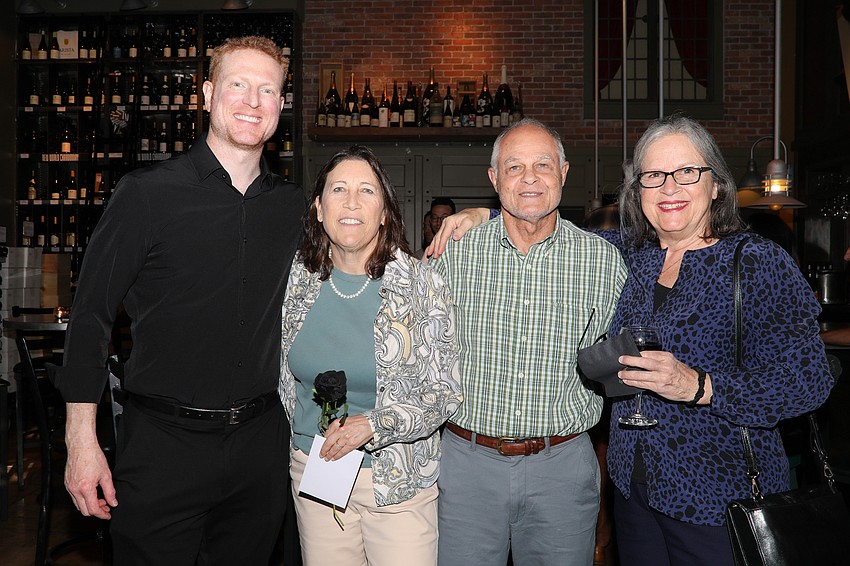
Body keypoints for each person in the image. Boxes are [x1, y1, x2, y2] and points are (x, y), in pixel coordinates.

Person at [429, 115, 835, 566]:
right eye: (653, 176)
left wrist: (701, 387)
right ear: (637, 191)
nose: (669, 188)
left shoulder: (756, 261)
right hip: (635, 492)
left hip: (720, 495)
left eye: (686, 172)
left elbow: (810, 381)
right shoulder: (632, 255)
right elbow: (538, 221)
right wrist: (480, 213)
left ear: (716, 184)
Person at [53, 36, 304, 564]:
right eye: (238, 85)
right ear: (208, 95)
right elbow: (91, 315)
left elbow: (373, 242)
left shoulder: (296, 208)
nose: (252, 101)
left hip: (260, 448)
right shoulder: (145, 195)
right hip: (163, 446)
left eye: (268, 90)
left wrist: (480, 218)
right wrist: (80, 438)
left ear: (282, 106)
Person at [430, 118, 627, 566]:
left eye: (543, 164)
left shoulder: (603, 261)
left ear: (564, 172)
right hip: (466, 465)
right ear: (493, 179)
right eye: (514, 167)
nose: (530, 177)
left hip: (562, 464)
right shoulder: (454, 253)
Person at [280, 145, 462, 566]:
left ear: (384, 212)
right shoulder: (297, 281)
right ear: (318, 209)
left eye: (367, 190)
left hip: (397, 481)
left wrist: (373, 425)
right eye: (338, 189)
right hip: (316, 472)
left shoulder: (420, 285)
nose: (350, 202)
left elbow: (445, 392)